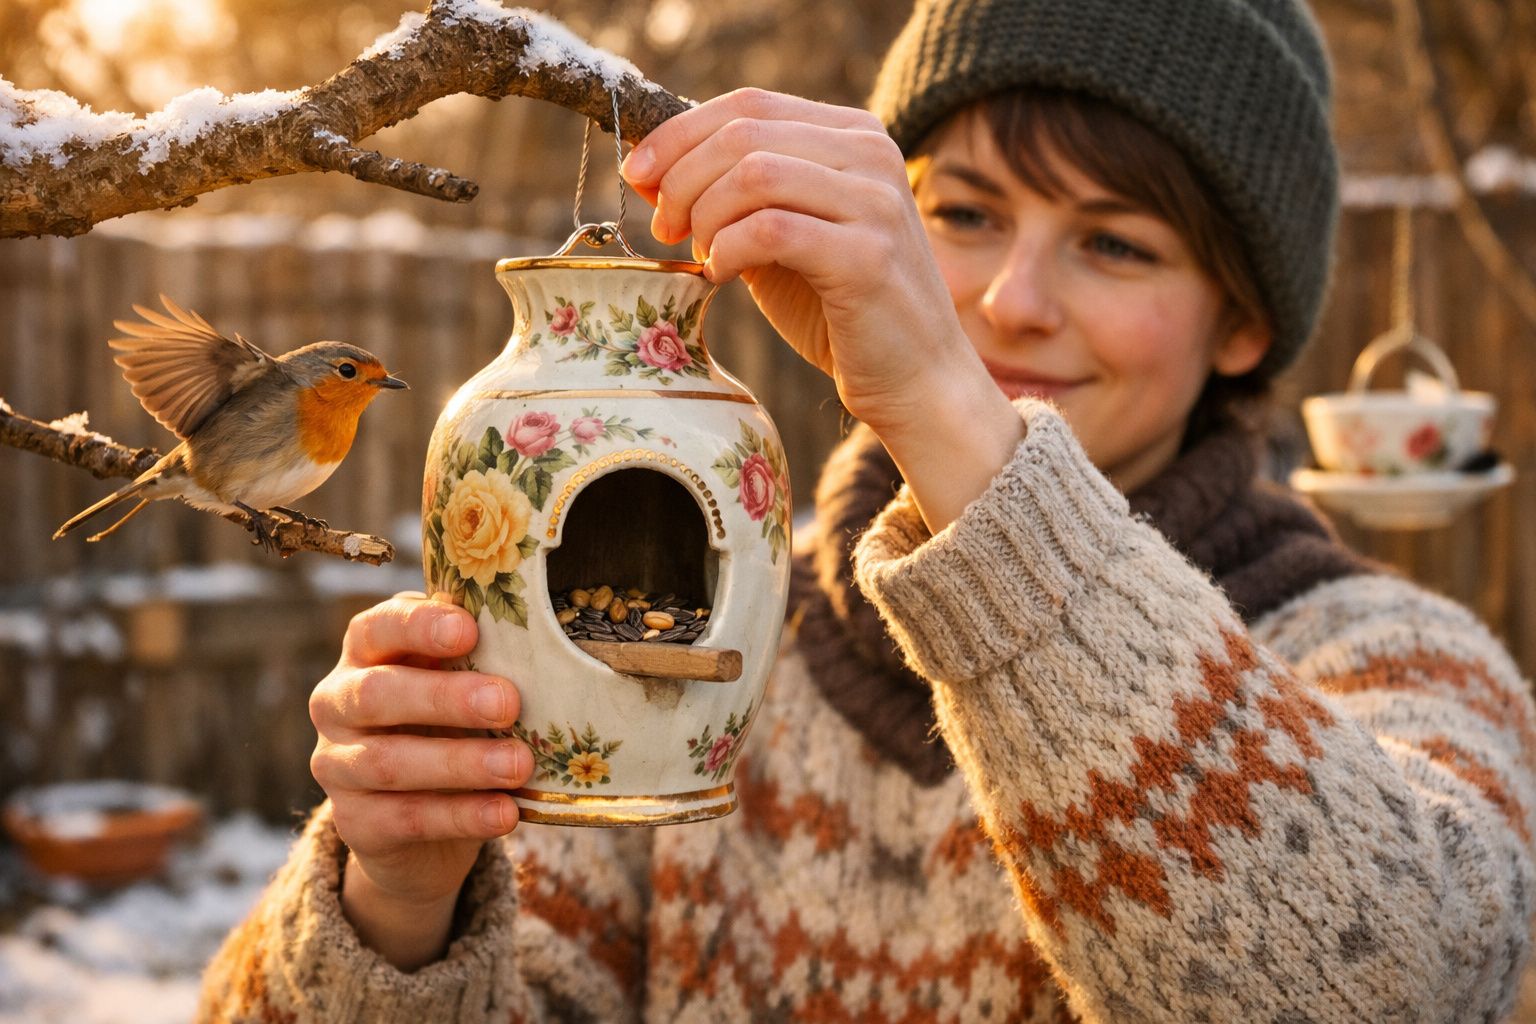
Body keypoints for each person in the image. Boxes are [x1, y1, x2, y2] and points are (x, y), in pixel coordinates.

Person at [198, 0, 1536, 1020]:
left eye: (1116, 242)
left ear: (1242, 322)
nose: (1013, 301)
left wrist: (957, 423)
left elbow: (1399, 977)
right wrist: (400, 908)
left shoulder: (1390, 657)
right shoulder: (701, 646)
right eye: (960, 212)